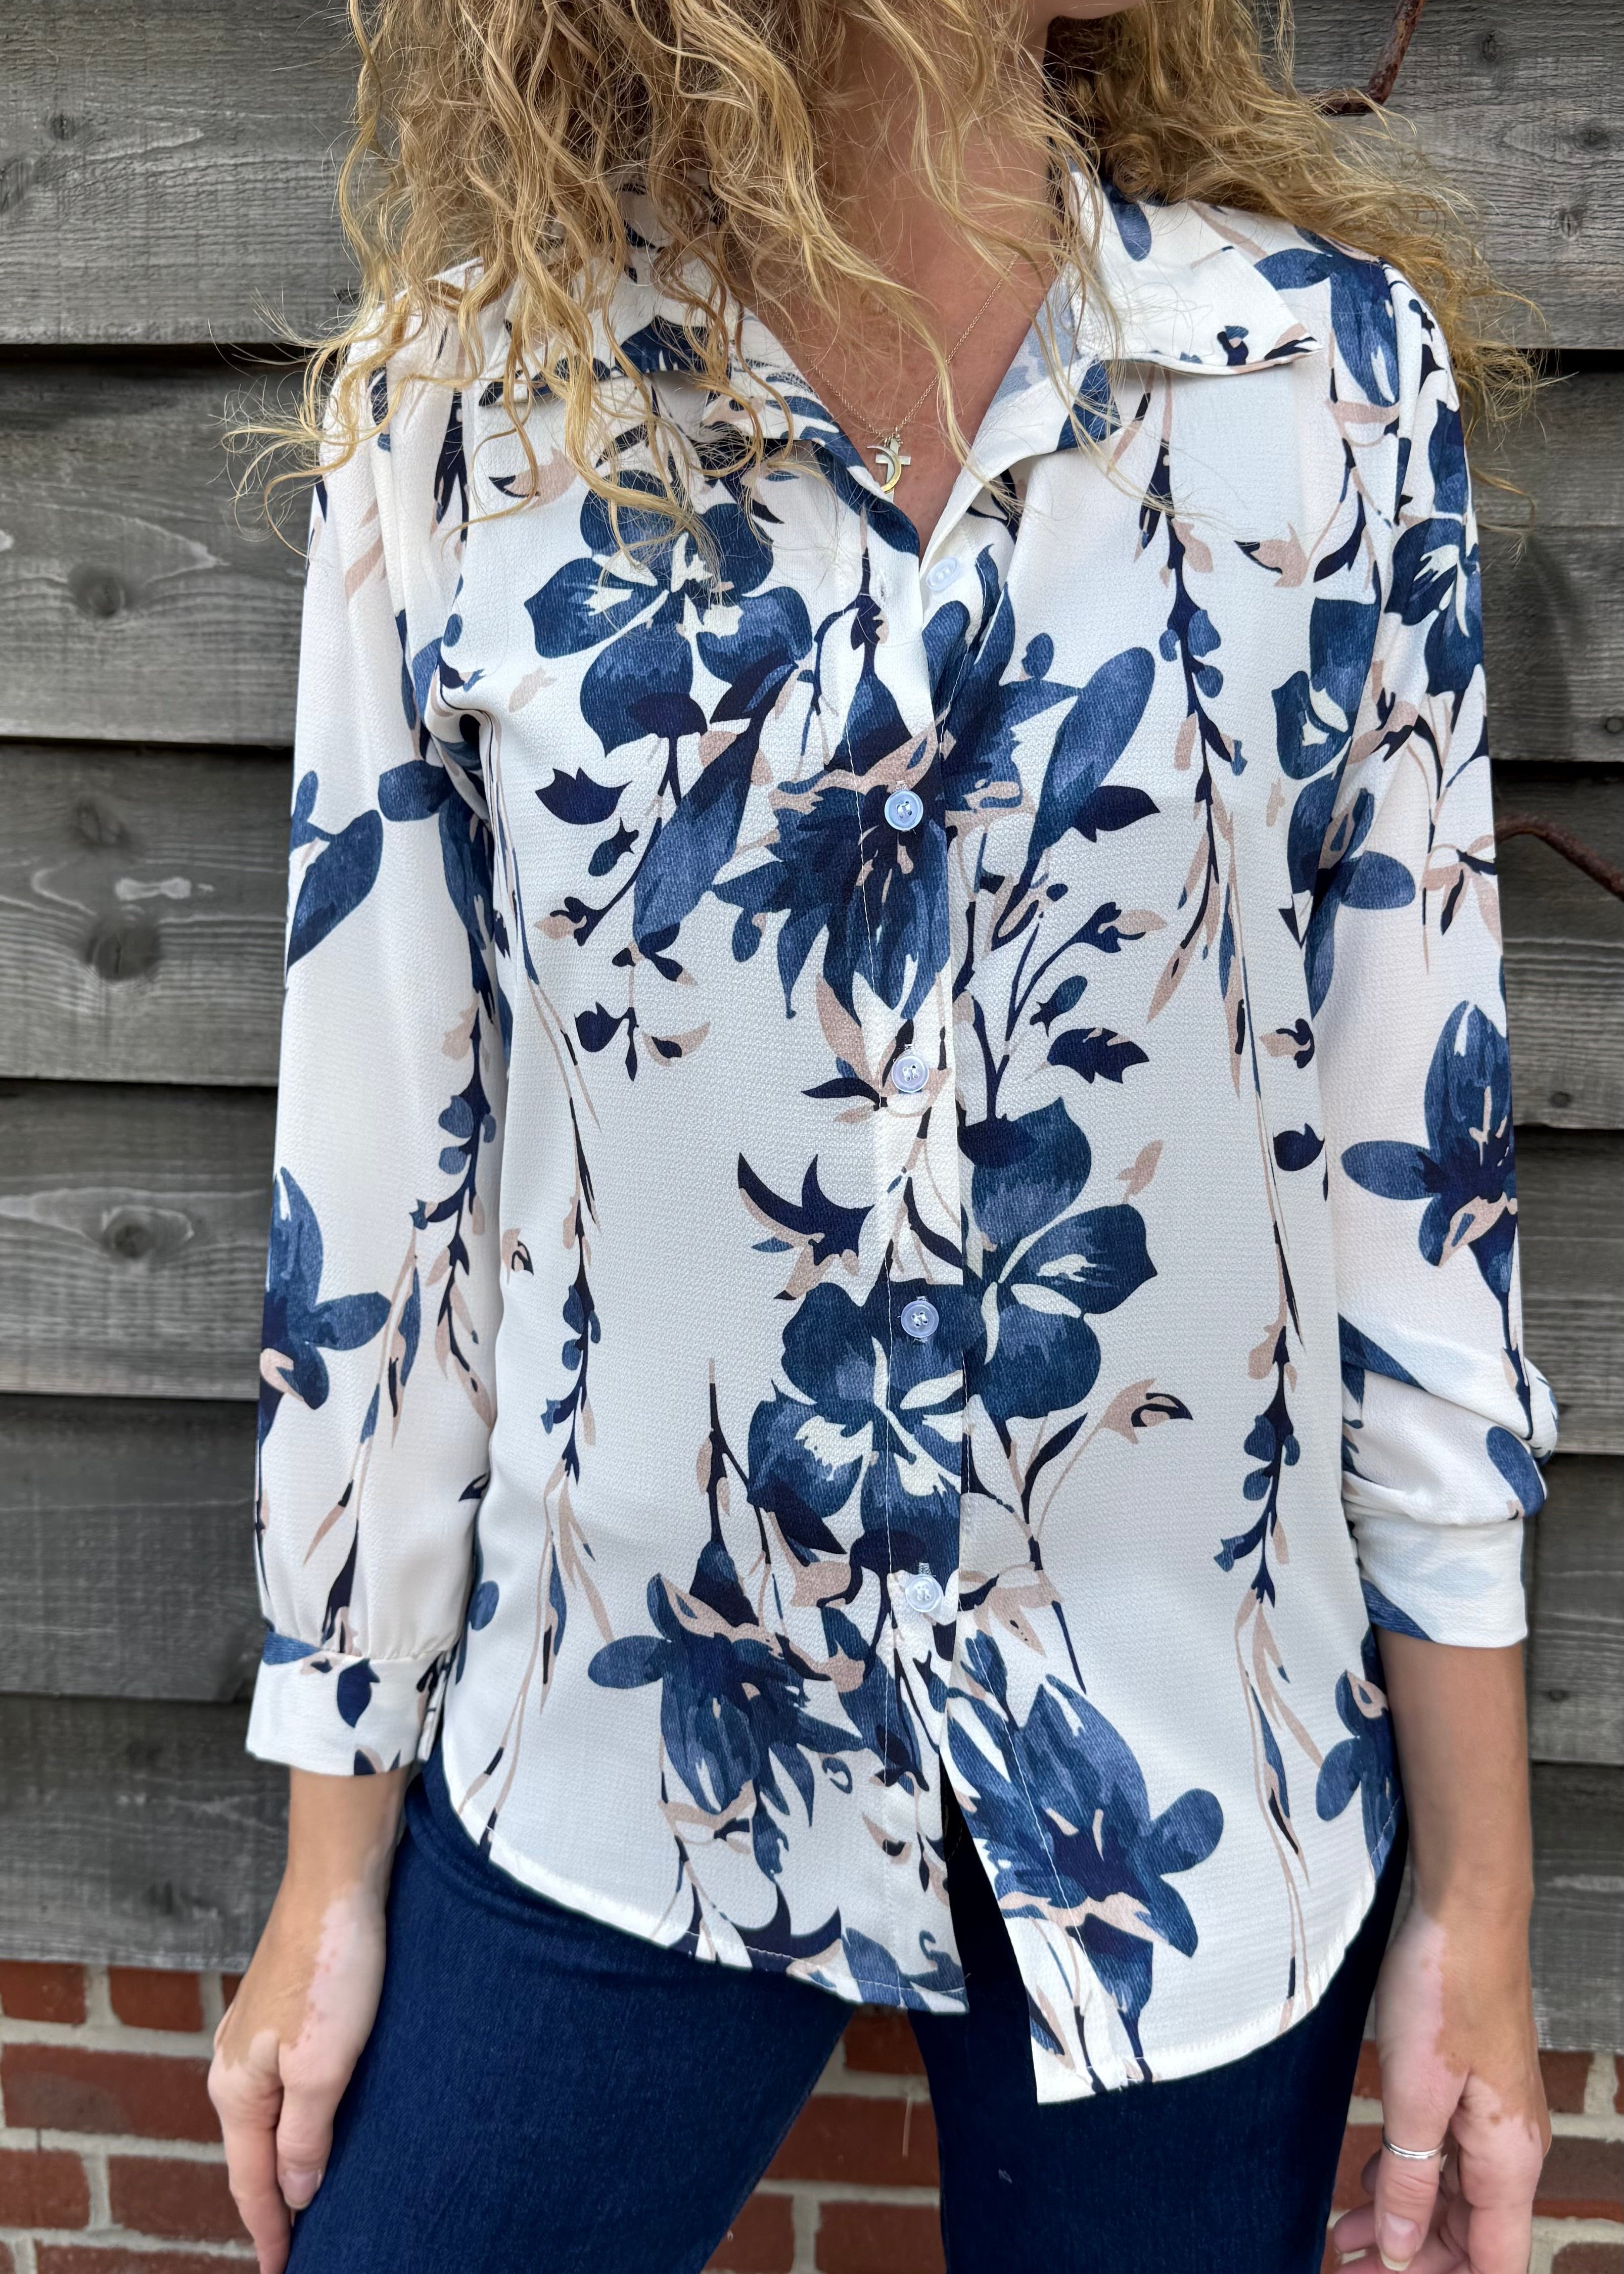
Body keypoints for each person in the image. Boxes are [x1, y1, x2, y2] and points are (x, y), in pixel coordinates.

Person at [209, 2, 1560, 2268]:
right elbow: (382, 1188)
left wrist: (1486, 1911)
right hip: (620, 1741)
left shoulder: (1323, 388)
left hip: (1189, 1776)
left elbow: (1420, 1195)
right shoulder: (455, 425)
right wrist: (329, 1874)